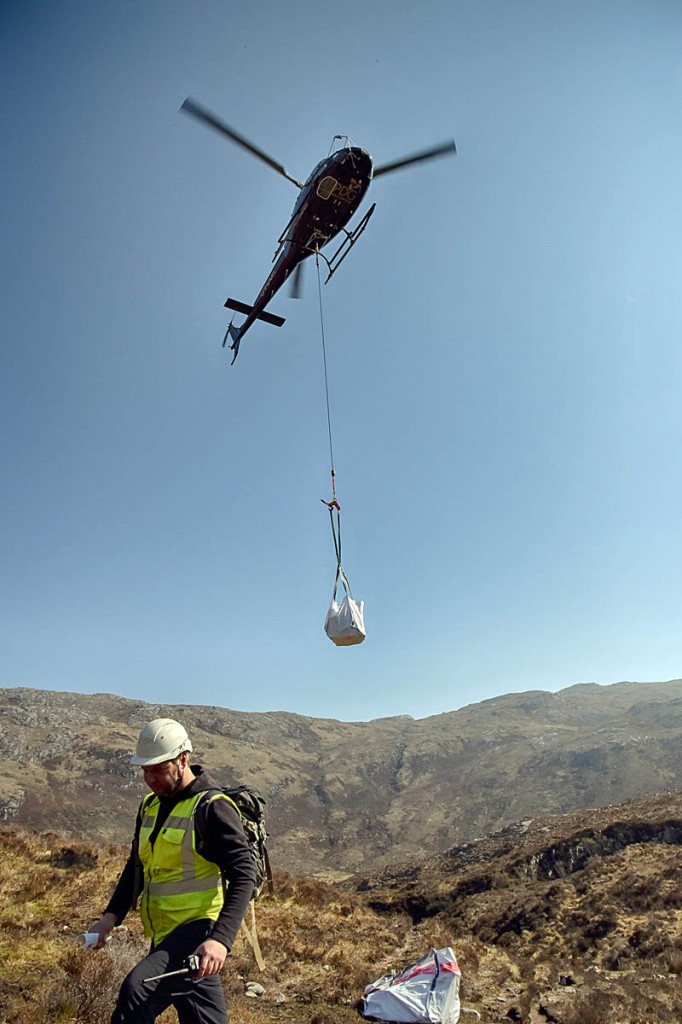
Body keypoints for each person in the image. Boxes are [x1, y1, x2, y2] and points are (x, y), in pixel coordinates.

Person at [89, 717, 257, 1024]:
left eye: (158, 769)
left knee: (137, 991)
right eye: (145, 770)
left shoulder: (212, 807)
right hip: (165, 933)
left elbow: (245, 873)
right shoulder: (148, 807)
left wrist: (220, 940)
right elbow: (135, 867)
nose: (150, 778)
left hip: (198, 932)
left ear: (183, 760)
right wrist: (109, 918)